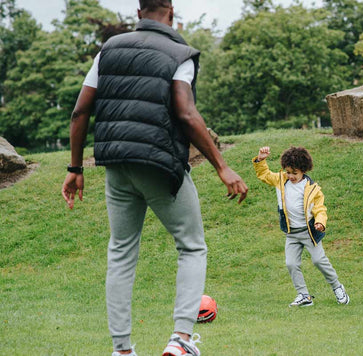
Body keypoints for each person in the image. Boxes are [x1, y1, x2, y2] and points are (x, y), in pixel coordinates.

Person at [61, 1, 248, 355]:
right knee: (191, 246)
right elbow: (185, 111)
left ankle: (121, 349)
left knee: (120, 252)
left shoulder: (109, 50)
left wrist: (75, 169)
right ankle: (180, 341)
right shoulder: (180, 53)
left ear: (138, 13)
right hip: (159, 164)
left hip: (116, 164)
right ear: (172, 13)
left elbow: (80, 109)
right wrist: (222, 167)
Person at [252, 146, 349, 307]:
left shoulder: (313, 189)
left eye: (294, 173)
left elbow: (320, 209)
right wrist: (261, 160)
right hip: (291, 234)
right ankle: (303, 295)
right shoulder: (281, 180)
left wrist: (320, 222)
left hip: (309, 233)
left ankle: (337, 287)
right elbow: (264, 175)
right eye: (288, 172)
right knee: (291, 264)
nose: (290, 176)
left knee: (319, 261)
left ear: (303, 170)